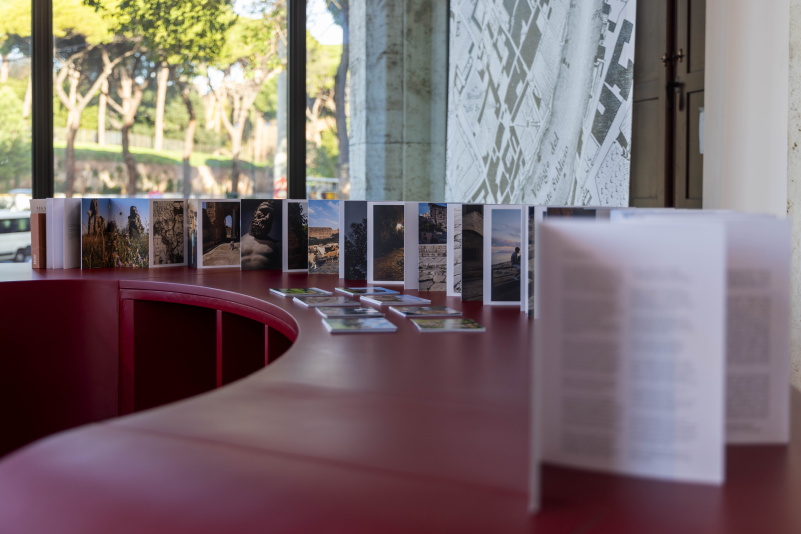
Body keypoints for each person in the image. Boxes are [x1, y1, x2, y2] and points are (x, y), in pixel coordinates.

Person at [241, 201, 281, 270]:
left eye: (271, 215)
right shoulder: (240, 242)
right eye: (264, 211)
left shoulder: (277, 246)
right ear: (254, 213)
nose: (268, 217)